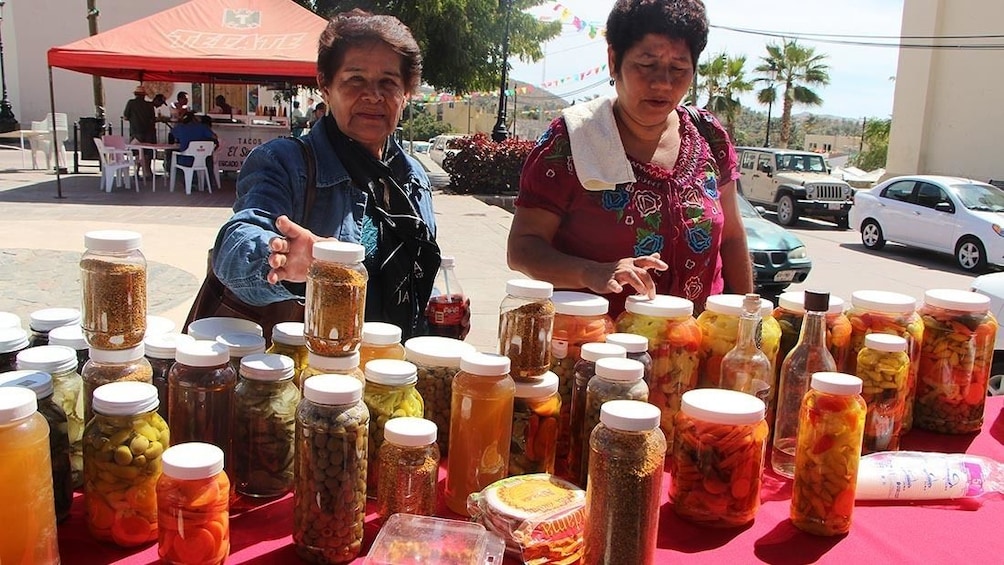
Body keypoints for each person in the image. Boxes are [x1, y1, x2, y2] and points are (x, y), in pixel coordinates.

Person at [507, 0, 752, 317]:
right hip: (596, 354)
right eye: (646, 65)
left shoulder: (710, 135)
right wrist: (591, 272)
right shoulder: (569, 142)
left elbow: (731, 238)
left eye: (678, 68)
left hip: (697, 348)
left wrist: (751, 322)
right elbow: (523, 247)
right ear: (613, 60)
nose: (663, 82)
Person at [211, 9, 441, 339]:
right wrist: (286, 261)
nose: (373, 95)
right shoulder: (284, 163)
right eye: (355, 79)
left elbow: (416, 273)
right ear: (325, 86)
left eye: (388, 83)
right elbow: (234, 247)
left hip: (392, 371)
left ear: (406, 93)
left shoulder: (413, 177)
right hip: (313, 373)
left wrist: (437, 314)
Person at [122, 84, 155, 179]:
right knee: (147, 153)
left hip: (136, 131)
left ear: (136, 94)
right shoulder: (149, 105)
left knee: (137, 153)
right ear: (144, 95)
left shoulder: (131, 103)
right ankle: (148, 172)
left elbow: (125, 116)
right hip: (148, 131)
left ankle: (136, 172)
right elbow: (152, 119)